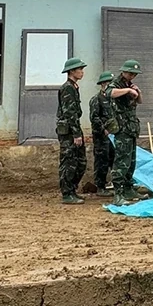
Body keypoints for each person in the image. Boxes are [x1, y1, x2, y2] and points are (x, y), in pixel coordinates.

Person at [107, 60, 145, 206]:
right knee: (121, 161)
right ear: (124, 72)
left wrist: (137, 91)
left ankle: (129, 188)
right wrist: (128, 91)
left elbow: (139, 101)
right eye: (130, 73)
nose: (132, 76)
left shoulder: (130, 84)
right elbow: (110, 93)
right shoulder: (117, 83)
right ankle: (118, 193)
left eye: (134, 74)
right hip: (122, 129)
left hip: (131, 128)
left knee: (131, 161)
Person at [56, 57, 87, 204]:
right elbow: (69, 113)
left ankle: (72, 190)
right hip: (68, 131)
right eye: (80, 69)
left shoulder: (73, 87)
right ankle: (67, 193)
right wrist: (76, 134)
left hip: (73, 128)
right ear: (72, 71)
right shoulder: (68, 88)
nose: (82, 72)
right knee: (69, 161)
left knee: (80, 162)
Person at [89, 71, 116, 197]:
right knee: (101, 160)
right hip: (101, 136)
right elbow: (94, 117)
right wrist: (103, 129)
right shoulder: (96, 99)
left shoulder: (113, 100)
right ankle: (100, 186)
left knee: (113, 159)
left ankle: (116, 183)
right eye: (108, 83)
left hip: (113, 135)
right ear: (103, 84)